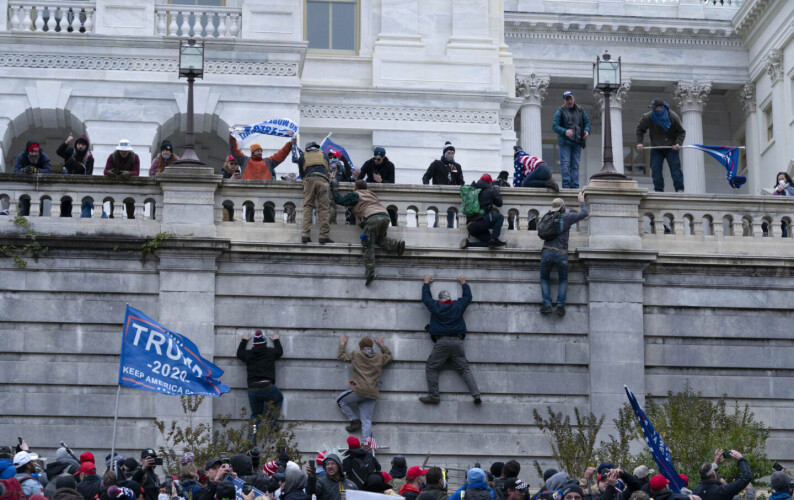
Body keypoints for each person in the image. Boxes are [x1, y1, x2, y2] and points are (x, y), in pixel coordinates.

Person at [419, 274, 481, 404]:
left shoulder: (436, 307)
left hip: (442, 342)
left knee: (431, 367)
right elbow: (468, 297)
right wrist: (464, 283)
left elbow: (426, 298)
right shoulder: (457, 306)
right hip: (458, 342)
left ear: (440, 300)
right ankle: (476, 394)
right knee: (464, 369)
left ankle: (434, 395)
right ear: (450, 298)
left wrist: (426, 283)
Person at [332, 179, 406, 285]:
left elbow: (339, 200)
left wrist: (335, 188)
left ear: (356, 188)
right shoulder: (372, 194)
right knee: (378, 239)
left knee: (367, 244)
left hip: (372, 218)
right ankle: (397, 245)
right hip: (385, 217)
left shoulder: (356, 194)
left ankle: (370, 272)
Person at [539, 192, 589, 317]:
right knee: (563, 279)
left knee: (544, 278)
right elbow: (585, 213)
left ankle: (547, 305)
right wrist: (581, 201)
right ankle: (560, 306)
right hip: (561, 252)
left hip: (546, 251)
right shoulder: (566, 217)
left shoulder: (547, 217)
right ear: (563, 207)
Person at [337, 336, 392, 437]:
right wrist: (382, 344)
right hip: (372, 393)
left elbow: (341, 356)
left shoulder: (356, 354)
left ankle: (354, 420)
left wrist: (342, 343)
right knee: (366, 420)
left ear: (360, 346)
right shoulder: (379, 357)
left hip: (359, 390)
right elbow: (389, 356)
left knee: (340, 400)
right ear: (372, 346)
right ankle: (365, 446)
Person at [635, 98, 687, 193]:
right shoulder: (648, 117)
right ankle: (658, 190)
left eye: (655, 108)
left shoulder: (672, 117)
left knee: (675, 168)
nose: (653, 110)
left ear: (662, 108)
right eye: (652, 108)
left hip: (671, 147)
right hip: (656, 147)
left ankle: (679, 189)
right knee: (655, 168)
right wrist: (639, 142)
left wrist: (678, 143)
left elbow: (681, 132)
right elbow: (640, 129)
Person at [236, 330, 284, 430]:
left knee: (255, 415)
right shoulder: (270, 352)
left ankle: (252, 439)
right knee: (278, 399)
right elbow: (280, 352)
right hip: (267, 387)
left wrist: (244, 340)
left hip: (252, 389)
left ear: (254, 344)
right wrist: (276, 340)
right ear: (265, 343)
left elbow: (239, 353)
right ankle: (271, 421)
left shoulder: (249, 354)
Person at [293, 140, 333, 244]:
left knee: (308, 207)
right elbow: (327, 169)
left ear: (307, 148)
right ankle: (323, 236)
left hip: (309, 179)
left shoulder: (303, 156)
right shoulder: (324, 155)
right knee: (324, 208)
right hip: (323, 180)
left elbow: (302, 173)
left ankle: (305, 235)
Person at [552, 91, 591, 189]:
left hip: (577, 141)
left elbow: (587, 122)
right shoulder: (560, 111)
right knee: (565, 163)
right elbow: (555, 126)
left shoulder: (580, 110)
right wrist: (565, 131)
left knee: (575, 165)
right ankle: (566, 185)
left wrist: (586, 131)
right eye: (567, 99)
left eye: (571, 98)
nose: (569, 101)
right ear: (564, 100)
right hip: (565, 142)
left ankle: (575, 186)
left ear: (574, 98)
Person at [423, 142, 464, 228]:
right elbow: (426, 176)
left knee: (450, 219)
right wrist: (427, 187)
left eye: (452, 153)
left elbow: (460, 181)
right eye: (449, 153)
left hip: (452, 196)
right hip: (440, 195)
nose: (451, 155)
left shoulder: (455, 166)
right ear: (444, 153)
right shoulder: (437, 164)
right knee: (440, 218)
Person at [461, 174, 506, 249]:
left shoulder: (473, 190)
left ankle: (468, 244)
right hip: (480, 222)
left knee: (489, 243)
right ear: (489, 182)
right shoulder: (490, 191)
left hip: (470, 226)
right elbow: (499, 203)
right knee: (499, 217)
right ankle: (494, 238)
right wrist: (496, 191)